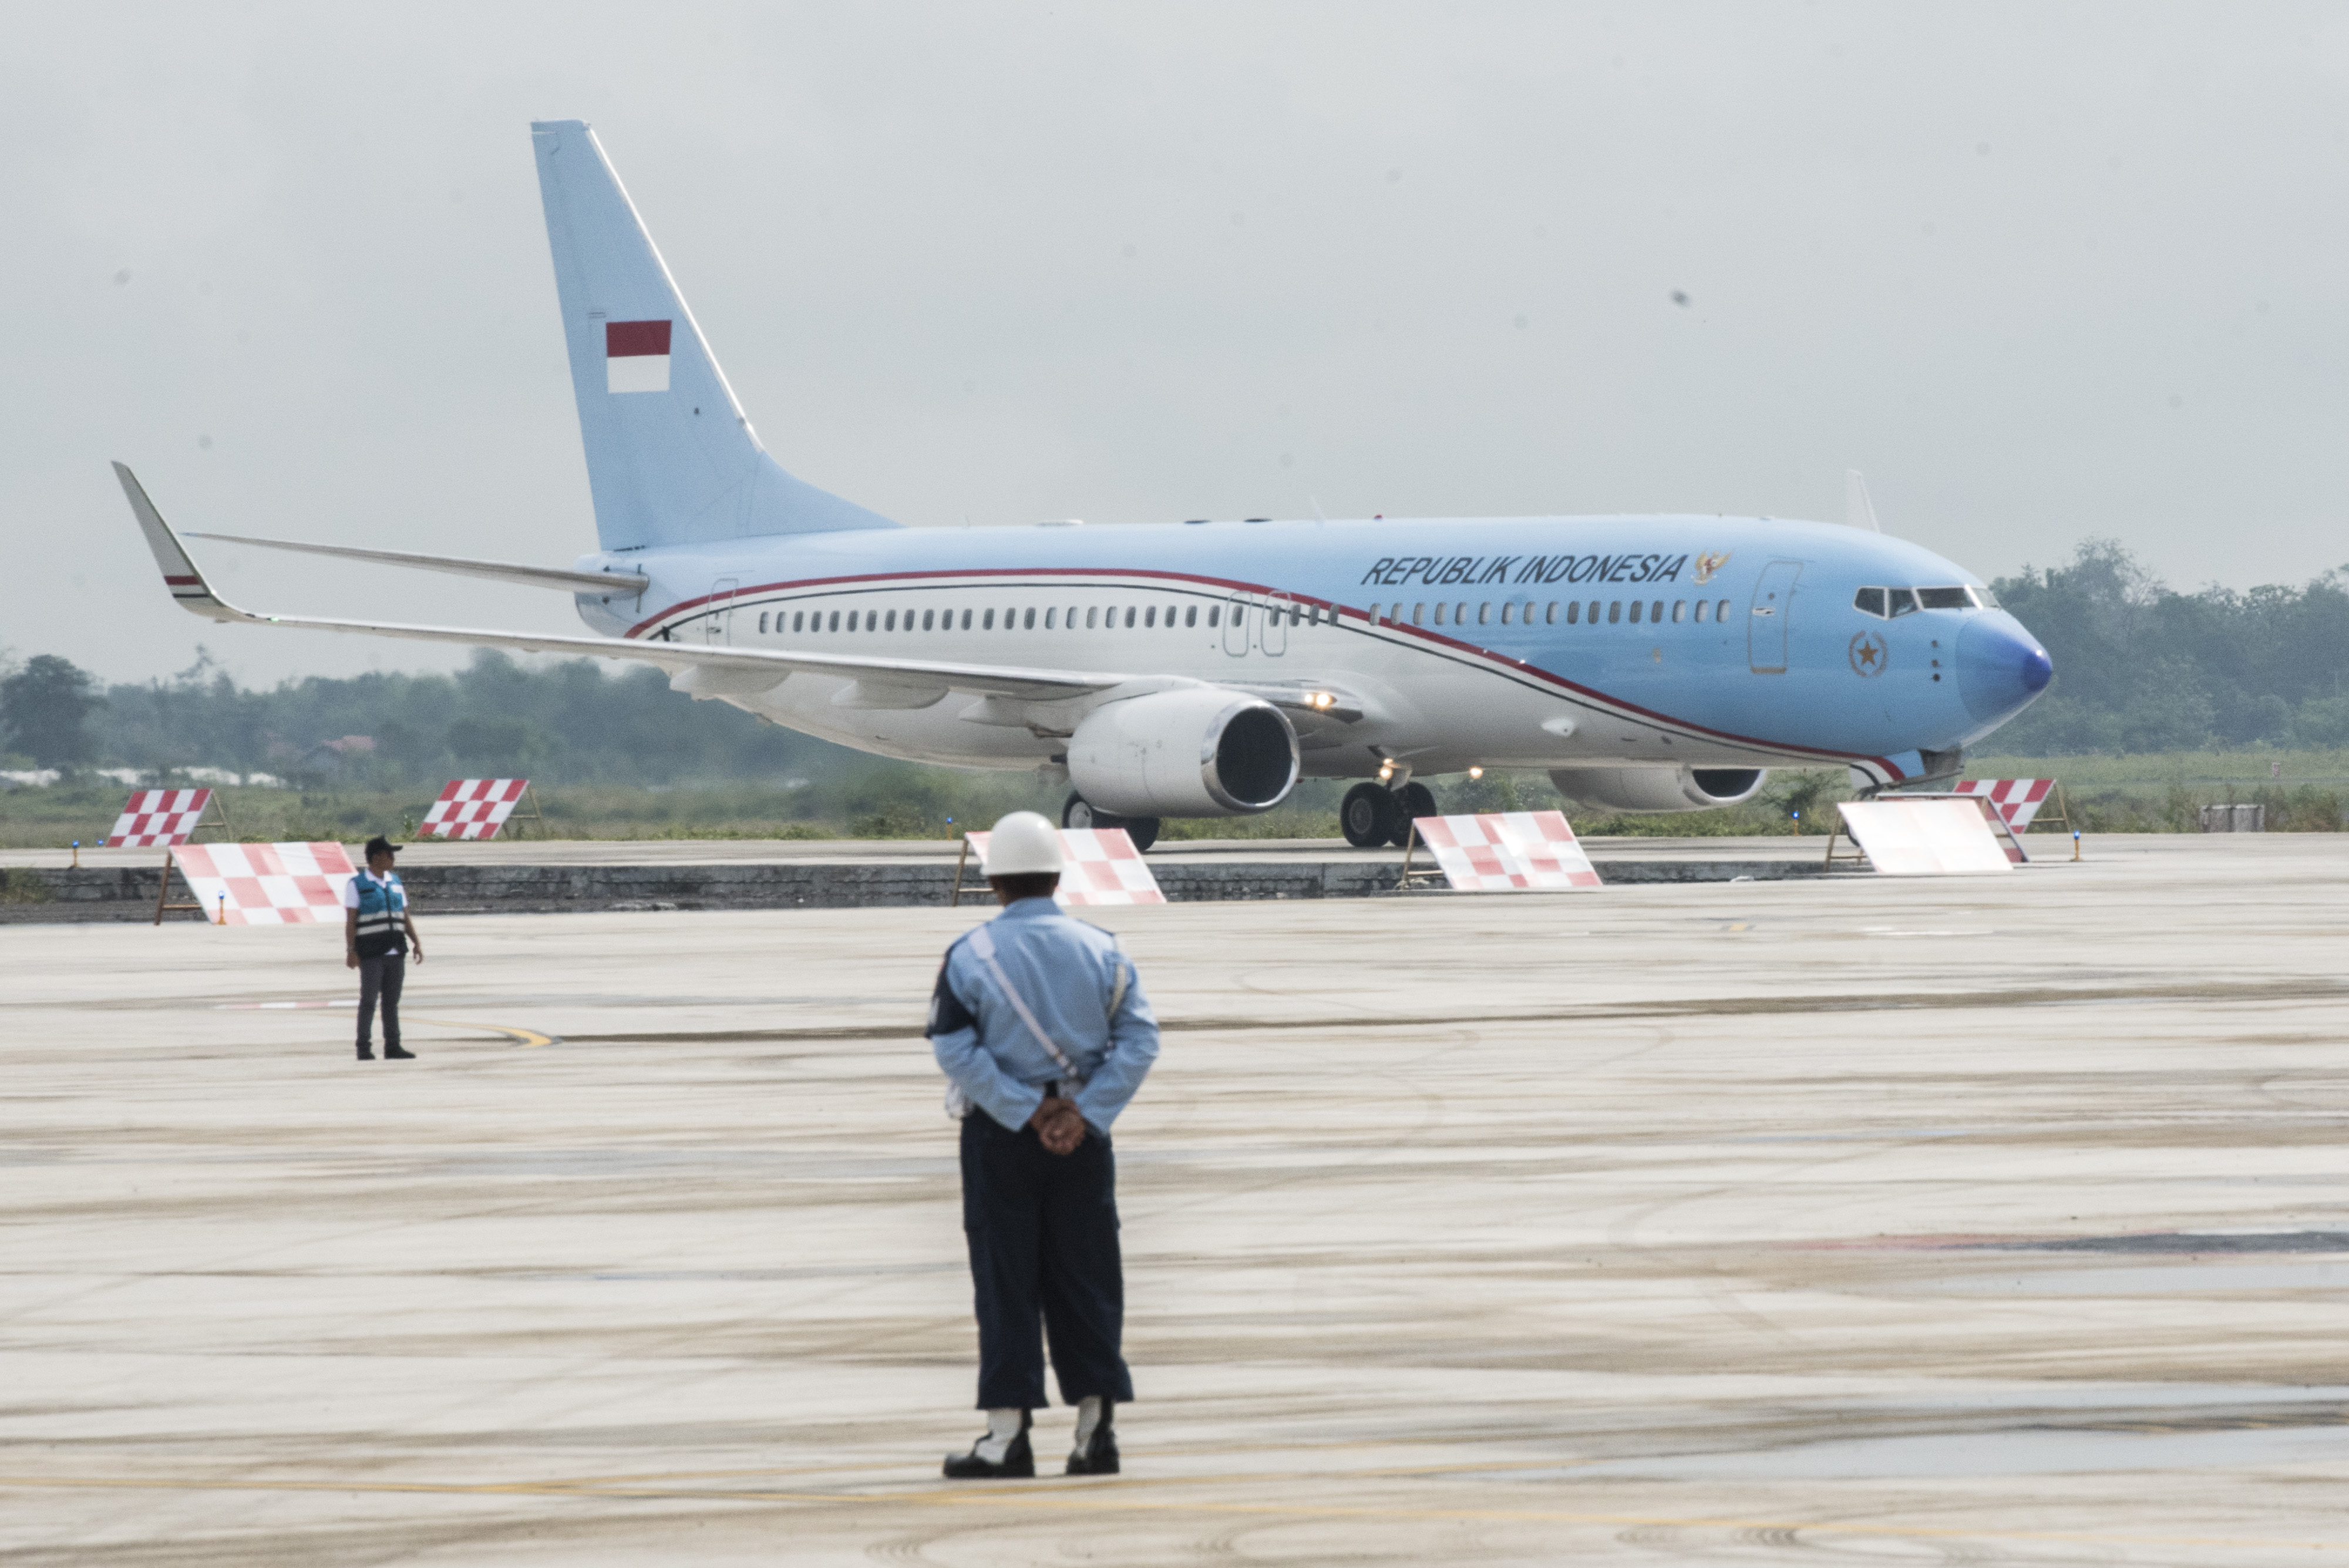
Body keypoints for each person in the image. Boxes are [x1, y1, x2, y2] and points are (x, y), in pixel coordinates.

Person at [926, 810, 1160, 1479]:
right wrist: (1082, 1114)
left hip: (1002, 1140)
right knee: (1087, 1279)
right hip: (1083, 1143)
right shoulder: (1103, 950)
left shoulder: (971, 955)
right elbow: (1140, 1040)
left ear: (993, 880)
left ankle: (1006, 1436)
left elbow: (953, 1046)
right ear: (1058, 876)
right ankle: (1094, 1432)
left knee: (1006, 1282)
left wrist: (1028, 1111)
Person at [344, 835, 423, 1061]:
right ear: (377, 857)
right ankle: (364, 1048)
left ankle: (393, 1046)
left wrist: (416, 942)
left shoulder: (395, 882)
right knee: (368, 1000)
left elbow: (404, 916)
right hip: (371, 952)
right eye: (390, 855)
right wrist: (351, 950)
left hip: (396, 950)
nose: (393, 860)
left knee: (391, 1002)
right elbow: (351, 921)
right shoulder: (357, 885)